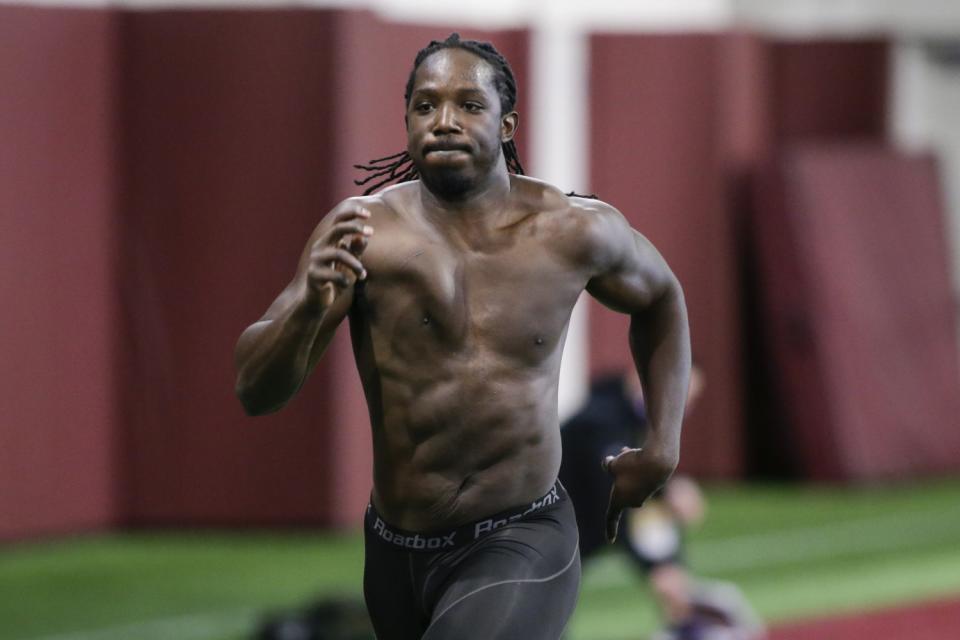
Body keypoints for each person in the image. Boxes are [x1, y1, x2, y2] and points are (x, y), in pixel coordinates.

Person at [234, 33, 691, 640]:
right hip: (396, 551)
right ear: (406, 122)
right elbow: (255, 391)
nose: (444, 121)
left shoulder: (573, 231)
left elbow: (661, 298)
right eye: (426, 106)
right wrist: (307, 310)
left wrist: (662, 443)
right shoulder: (361, 235)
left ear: (507, 124)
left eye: (468, 105)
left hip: (522, 536)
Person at [560, 367, 765, 640]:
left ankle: (685, 618)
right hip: (552, 527)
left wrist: (666, 565)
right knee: (542, 613)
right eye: (678, 397)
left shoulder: (641, 421)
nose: (681, 408)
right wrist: (669, 496)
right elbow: (619, 482)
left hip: (593, 523)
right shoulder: (601, 420)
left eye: (687, 402)